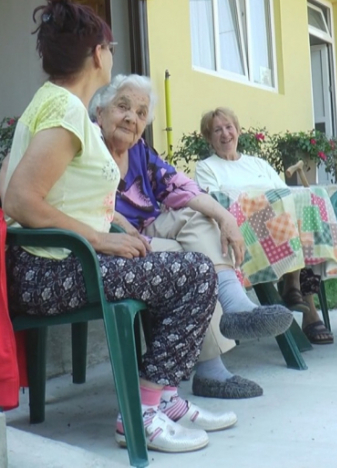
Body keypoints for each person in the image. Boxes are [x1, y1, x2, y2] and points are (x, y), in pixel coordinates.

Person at [0, 0, 234, 454]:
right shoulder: (66, 111)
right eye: (109, 46)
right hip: (54, 269)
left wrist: (117, 226)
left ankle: (164, 398)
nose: (112, 53)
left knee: (169, 264)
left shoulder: (56, 105)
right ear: (96, 55)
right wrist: (100, 239)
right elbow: (22, 199)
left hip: (58, 262)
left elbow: (63, 190)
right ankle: (142, 411)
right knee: (197, 273)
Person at [90, 76, 294, 400]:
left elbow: (178, 187)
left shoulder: (139, 149)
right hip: (112, 240)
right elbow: (80, 202)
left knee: (199, 217)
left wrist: (225, 217)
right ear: (99, 111)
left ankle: (235, 305)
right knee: (194, 261)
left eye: (141, 113)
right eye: (123, 107)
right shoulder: (86, 146)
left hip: (147, 229)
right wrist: (115, 221)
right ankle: (211, 370)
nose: (132, 117)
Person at [194, 107, 335, 346]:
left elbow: (285, 193)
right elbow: (216, 200)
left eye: (229, 127)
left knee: (308, 213)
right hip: (244, 233)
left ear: (238, 131)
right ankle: (295, 290)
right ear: (209, 138)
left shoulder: (257, 164)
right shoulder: (207, 167)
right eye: (217, 130)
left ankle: (299, 294)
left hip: (280, 229)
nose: (225, 134)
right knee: (285, 214)